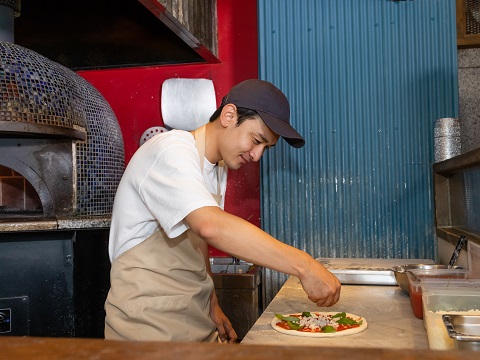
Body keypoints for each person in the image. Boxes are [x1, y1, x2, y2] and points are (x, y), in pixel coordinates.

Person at [104, 79, 341, 343]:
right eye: (256, 140)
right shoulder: (170, 150)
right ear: (229, 115)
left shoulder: (217, 167)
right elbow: (211, 227)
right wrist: (305, 266)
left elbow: (197, 240)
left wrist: (212, 302)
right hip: (147, 330)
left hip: (192, 321)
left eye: (266, 148)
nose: (257, 156)